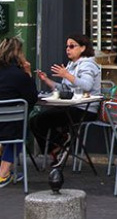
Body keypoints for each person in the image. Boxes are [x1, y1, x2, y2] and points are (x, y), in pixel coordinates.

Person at [32, 33, 102, 167]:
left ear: (82, 48)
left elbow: (86, 85)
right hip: (71, 105)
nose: (68, 49)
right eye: (67, 47)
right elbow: (64, 88)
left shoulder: (88, 65)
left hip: (85, 108)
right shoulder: (71, 65)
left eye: (72, 46)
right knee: (35, 120)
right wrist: (47, 80)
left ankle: (60, 143)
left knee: (41, 120)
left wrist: (67, 75)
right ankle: (58, 146)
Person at [0, 37, 38, 187]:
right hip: (11, 128)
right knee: (22, 129)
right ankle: (3, 173)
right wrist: (28, 73)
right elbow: (32, 99)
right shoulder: (19, 75)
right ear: (17, 54)